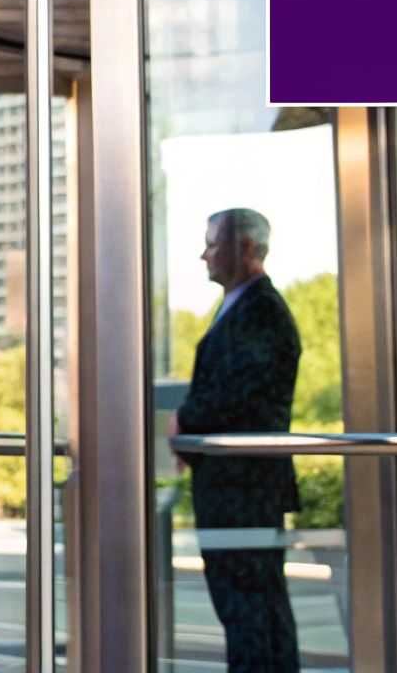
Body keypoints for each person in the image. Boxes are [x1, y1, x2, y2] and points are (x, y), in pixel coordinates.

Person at [172, 207, 302, 672]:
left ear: (244, 247)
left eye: (212, 243)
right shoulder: (242, 306)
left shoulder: (261, 309)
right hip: (237, 487)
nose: (204, 254)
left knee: (252, 613)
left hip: (244, 489)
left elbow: (233, 391)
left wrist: (182, 423)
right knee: (252, 610)